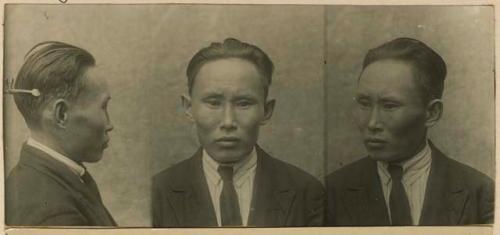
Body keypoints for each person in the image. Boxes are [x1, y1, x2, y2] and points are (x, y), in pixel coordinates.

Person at [153, 38, 325, 227]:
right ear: (189, 108)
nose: (228, 122)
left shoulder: (306, 192)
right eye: (213, 102)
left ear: (266, 111)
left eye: (243, 103)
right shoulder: (157, 192)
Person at [326, 37, 494, 226]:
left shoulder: (479, 192)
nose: (372, 123)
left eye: (389, 106)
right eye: (364, 104)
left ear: (432, 113)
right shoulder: (331, 192)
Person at [6, 41, 116, 226]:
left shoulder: (52, 179)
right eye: (103, 107)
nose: (109, 124)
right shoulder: (51, 213)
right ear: (61, 114)